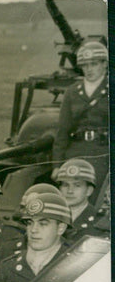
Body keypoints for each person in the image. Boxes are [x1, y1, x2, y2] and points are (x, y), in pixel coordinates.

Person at [52, 40, 109, 198]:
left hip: (105, 155)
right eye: (85, 65)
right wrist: (57, 165)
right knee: (72, 197)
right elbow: (63, 131)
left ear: (104, 64)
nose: (89, 69)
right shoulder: (72, 92)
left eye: (94, 64)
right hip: (76, 153)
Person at [53, 158, 110, 243]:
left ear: (89, 190)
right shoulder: (52, 217)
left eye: (77, 185)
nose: (70, 191)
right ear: (59, 189)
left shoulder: (98, 223)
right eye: (65, 185)